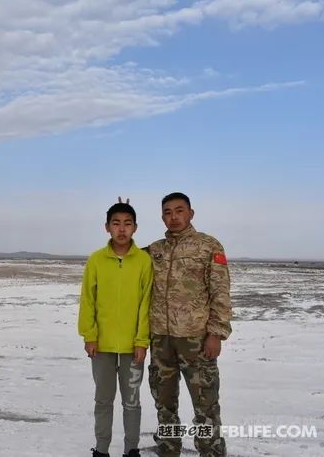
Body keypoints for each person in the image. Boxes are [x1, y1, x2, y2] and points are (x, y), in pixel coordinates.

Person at [147, 192, 232, 457]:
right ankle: (169, 448)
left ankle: (211, 451)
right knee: (164, 404)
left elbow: (220, 291)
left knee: (205, 406)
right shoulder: (154, 250)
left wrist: (216, 333)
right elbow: (123, 254)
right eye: (168, 212)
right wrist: (122, 218)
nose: (174, 217)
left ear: (191, 213)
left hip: (196, 340)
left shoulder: (209, 246)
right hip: (161, 340)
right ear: (162, 216)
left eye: (179, 211)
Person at [79, 202, 153, 457]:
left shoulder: (143, 261)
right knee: (103, 401)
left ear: (135, 227)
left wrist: (142, 341)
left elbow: (146, 303)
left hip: (134, 347)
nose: (122, 229)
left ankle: (131, 449)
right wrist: (89, 336)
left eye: (127, 223)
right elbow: (88, 299)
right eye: (116, 223)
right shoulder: (97, 259)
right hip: (102, 346)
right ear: (107, 227)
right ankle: (101, 449)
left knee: (132, 402)